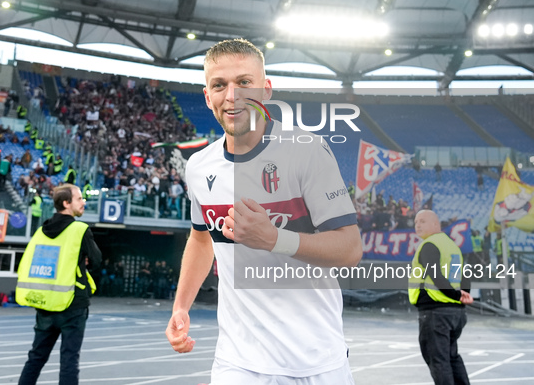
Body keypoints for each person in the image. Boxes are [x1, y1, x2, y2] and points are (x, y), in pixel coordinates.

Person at [165, 39, 362, 384]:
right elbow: (200, 240)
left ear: (266, 89)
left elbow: (349, 249)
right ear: (207, 96)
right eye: (219, 85)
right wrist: (181, 306)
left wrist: (275, 239)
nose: (232, 96)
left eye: (244, 82)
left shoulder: (308, 152)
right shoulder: (198, 166)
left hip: (316, 363)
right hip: (237, 363)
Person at [16, 184, 101, 384]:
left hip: (45, 303)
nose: (84, 202)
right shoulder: (79, 229)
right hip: (72, 303)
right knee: (69, 360)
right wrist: (84, 259)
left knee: (36, 358)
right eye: (79, 199)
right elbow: (96, 261)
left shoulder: (41, 231)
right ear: (66, 203)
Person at [408, 210, 473, 385]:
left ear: (436, 225)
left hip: (435, 312)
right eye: (415, 222)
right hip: (455, 313)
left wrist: (456, 294)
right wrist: (462, 296)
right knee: (452, 357)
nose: (418, 225)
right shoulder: (453, 247)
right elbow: (465, 275)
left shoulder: (429, 245)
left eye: (422, 221)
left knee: (438, 360)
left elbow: (435, 275)